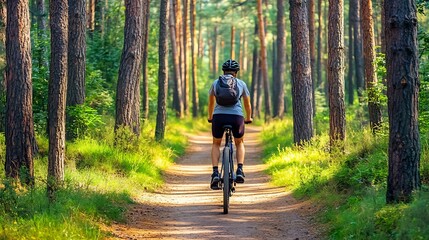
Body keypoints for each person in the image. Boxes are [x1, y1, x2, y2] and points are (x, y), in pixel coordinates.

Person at [207, 59, 253, 190]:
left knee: (216, 143)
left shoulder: (216, 83)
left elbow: (210, 103)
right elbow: (247, 104)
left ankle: (215, 173)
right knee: (239, 143)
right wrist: (248, 118)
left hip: (219, 116)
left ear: (223, 71)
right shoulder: (241, 84)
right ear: (236, 73)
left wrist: (210, 117)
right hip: (237, 117)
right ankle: (239, 170)